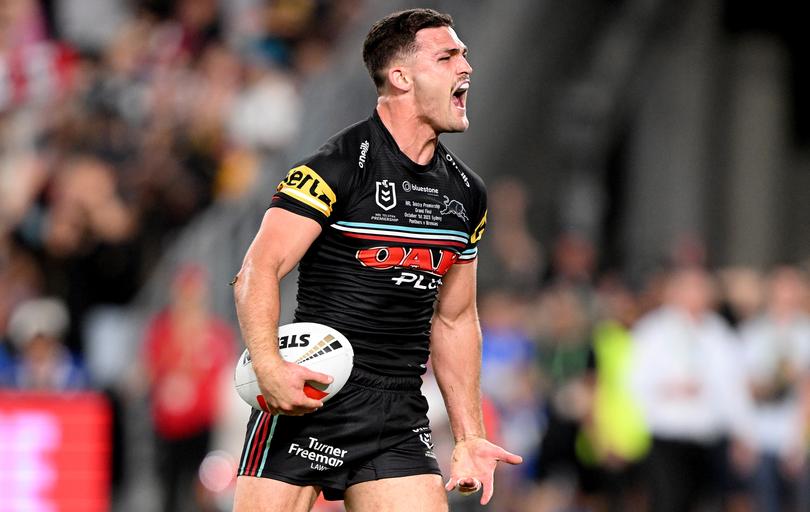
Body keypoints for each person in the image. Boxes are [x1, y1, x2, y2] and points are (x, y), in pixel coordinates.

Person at [231, 8, 522, 511]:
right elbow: (258, 270)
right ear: (401, 75)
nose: (466, 68)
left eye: (465, 56)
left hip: (397, 412)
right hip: (311, 394)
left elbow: (454, 320)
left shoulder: (467, 193)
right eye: (448, 56)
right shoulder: (337, 166)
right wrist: (268, 366)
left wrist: (469, 434)